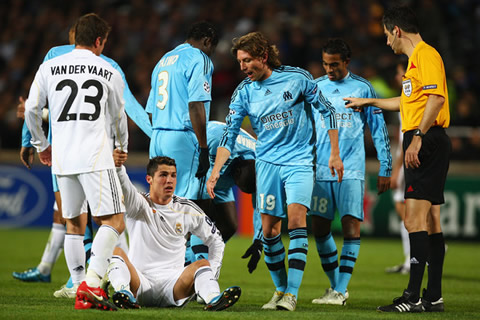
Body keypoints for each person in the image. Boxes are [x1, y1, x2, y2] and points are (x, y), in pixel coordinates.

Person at [207, 31, 344, 311]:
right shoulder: (243, 92)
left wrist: (334, 153)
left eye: (247, 61)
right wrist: (215, 171)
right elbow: (229, 135)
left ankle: (292, 294)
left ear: (263, 56)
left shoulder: (297, 78)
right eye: (240, 62)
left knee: (296, 221)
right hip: (266, 164)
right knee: (269, 230)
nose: (242, 67)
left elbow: (327, 110)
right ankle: (279, 290)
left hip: (299, 162)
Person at [13, 20, 150, 298]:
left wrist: (40, 144)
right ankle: (92, 283)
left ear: (74, 37)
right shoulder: (108, 70)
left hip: (62, 159)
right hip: (95, 157)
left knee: (73, 223)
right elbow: (118, 115)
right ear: (99, 41)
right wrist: (121, 146)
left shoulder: (50, 66)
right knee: (114, 221)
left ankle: (76, 284)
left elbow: (30, 109)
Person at [345, 6, 451, 313]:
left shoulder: (426, 55)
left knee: (413, 219)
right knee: (430, 220)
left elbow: (437, 99)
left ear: (397, 31)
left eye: (386, 35)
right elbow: (407, 102)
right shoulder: (415, 63)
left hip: (425, 139)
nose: (387, 42)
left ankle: (412, 297)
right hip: (427, 137)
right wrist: (369, 100)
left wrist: (417, 136)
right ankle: (433, 296)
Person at [310, 38, 392, 306]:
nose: (329, 69)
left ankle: (340, 288)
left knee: (350, 228)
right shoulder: (316, 88)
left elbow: (378, 131)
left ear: (346, 62)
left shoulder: (362, 88)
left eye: (334, 64)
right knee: (320, 230)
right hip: (321, 170)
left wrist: (385, 166)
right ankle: (337, 288)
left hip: (352, 170)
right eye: (325, 64)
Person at [107, 151, 241, 311]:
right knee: (116, 252)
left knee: (202, 264)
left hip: (174, 286)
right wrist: (118, 168)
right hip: (139, 283)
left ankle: (213, 298)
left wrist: (212, 275)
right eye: (163, 175)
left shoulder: (187, 209)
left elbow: (216, 241)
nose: (169, 180)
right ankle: (124, 292)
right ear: (149, 179)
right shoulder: (139, 205)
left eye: (173, 175)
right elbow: (126, 188)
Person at [146, 21, 218, 206]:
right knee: (188, 204)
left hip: (157, 138)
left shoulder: (163, 60)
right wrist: (203, 147)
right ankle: (182, 237)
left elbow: (151, 112)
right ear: (207, 41)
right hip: (182, 138)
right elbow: (195, 104)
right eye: (212, 49)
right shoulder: (199, 58)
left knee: (161, 201)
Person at [188, 121, 262, 274]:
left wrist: (258, 240)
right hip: (197, 169)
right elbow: (191, 148)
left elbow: (258, 206)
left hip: (220, 177)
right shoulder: (217, 141)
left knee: (229, 225)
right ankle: (197, 270)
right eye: (238, 185)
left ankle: (197, 263)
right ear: (236, 173)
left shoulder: (260, 161)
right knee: (201, 222)